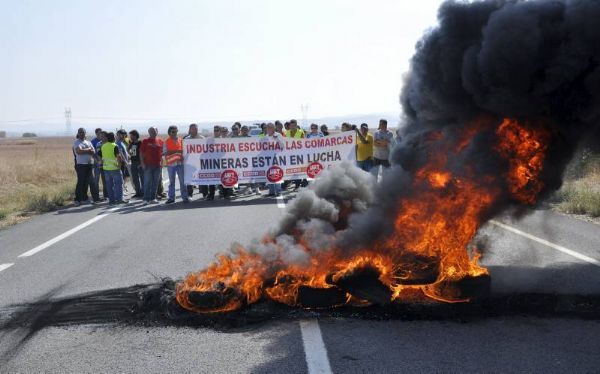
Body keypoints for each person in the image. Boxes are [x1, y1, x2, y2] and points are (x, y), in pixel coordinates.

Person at [72, 128, 100, 206]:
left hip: (89, 165)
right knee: (81, 182)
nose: (82, 134)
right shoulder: (76, 142)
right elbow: (79, 151)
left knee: (87, 182)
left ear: (85, 133)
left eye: (83, 132)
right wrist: (88, 150)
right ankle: (77, 199)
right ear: (78, 133)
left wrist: (87, 150)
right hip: (81, 165)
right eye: (80, 132)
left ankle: (84, 198)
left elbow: (93, 152)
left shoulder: (88, 142)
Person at [163, 125, 189, 204]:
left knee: (182, 182)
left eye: (176, 131)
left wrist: (180, 153)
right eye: (173, 132)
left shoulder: (181, 140)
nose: (175, 133)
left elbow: (184, 151)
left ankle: (185, 197)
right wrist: (177, 152)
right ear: (169, 133)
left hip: (180, 164)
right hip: (171, 164)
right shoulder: (166, 141)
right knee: (172, 182)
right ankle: (171, 198)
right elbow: (165, 152)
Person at [99, 132, 126, 204]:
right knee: (118, 185)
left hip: (106, 169)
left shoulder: (103, 146)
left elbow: (99, 155)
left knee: (109, 185)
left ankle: (111, 200)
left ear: (107, 138)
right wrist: (119, 166)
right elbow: (119, 157)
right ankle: (119, 200)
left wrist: (101, 162)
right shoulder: (115, 146)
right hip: (115, 168)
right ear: (114, 138)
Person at [140, 126, 163, 204]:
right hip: (148, 165)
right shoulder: (145, 141)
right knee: (147, 182)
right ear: (148, 132)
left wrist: (162, 162)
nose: (152, 132)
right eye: (151, 131)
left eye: (154, 131)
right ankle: (146, 199)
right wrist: (142, 163)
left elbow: (162, 152)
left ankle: (153, 198)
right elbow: (141, 153)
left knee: (155, 183)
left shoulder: (160, 141)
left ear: (157, 131)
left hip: (158, 165)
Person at [183, 123, 205, 198]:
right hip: (190, 162)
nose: (194, 130)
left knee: (202, 177)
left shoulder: (202, 138)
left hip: (200, 161)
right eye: (192, 129)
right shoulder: (186, 139)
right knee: (190, 178)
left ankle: (204, 193)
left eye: (196, 129)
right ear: (189, 130)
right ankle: (190, 194)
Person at [264, 123, 283, 197]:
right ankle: (271, 191)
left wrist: (277, 139)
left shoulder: (278, 135)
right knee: (269, 173)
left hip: (277, 157)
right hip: (268, 158)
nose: (269, 129)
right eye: (268, 128)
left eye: (271, 127)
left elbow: (283, 146)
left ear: (274, 128)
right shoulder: (266, 136)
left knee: (276, 173)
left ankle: (278, 191)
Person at [128, 130, 144, 198]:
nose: (130, 137)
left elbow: (143, 153)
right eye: (130, 136)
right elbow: (129, 151)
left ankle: (144, 192)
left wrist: (142, 163)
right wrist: (129, 154)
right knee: (135, 178)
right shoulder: (131, 143)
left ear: (135, 135)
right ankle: (138, 192)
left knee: (142, 178)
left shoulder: (140, 143)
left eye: (131, 135)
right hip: (133, 162)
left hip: (140, 162)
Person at [116, 129, 131, 193]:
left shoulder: (122, 142)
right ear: (118, 135)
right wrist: (125, 161)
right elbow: (120, 154)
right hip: (121, 162)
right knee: (121, 177)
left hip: (125, 162)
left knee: (125, 176)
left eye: (124, 134)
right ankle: (121, 191)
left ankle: (123, 189)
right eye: (121, 134)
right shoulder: (118, 143)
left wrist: (129, 157)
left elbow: (125, 152)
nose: (123, 135)